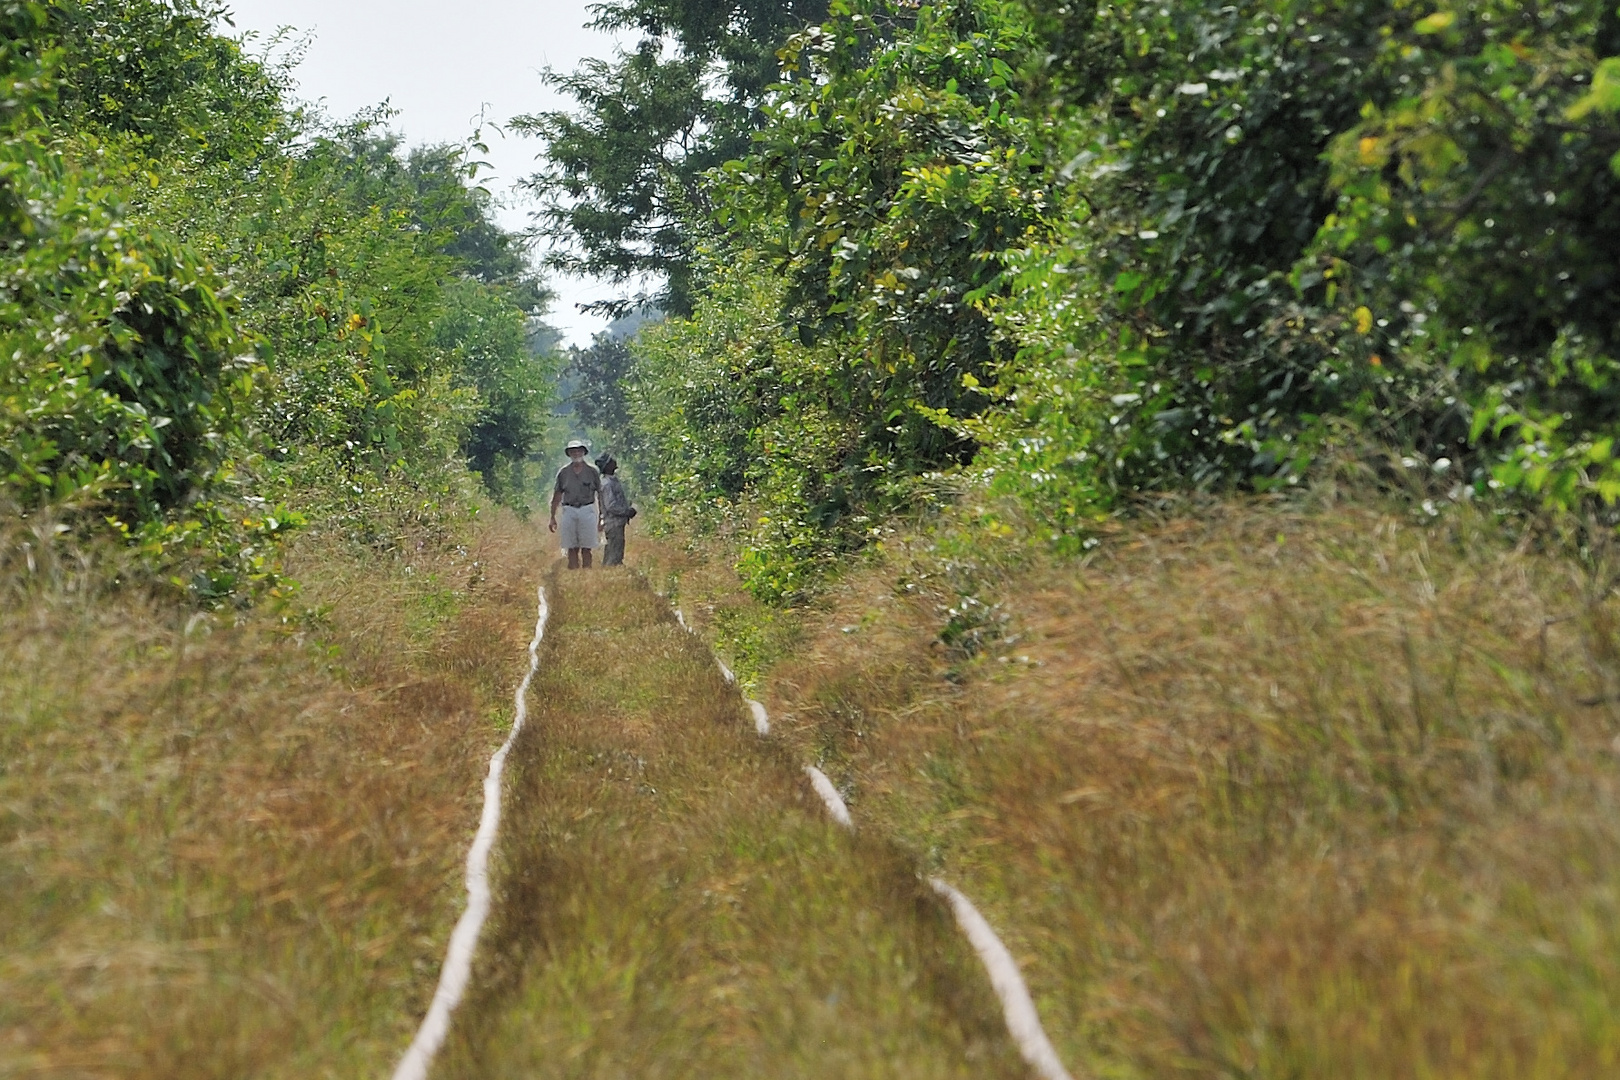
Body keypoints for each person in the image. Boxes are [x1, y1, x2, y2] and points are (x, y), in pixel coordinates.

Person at [548, 439, 603, 569]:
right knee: (571, 547)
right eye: (573, 451)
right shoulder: (563, 473)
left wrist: (601, 517)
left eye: (579, 451)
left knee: (587, 547)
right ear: (569, 454)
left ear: (583, 452)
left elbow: (600, 494)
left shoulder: (592, 471)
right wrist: (552, 517)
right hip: (569, 510)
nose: (576, 453)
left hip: (587, 509)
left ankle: (586, 574)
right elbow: (557, 495)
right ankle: (573, 573)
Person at [595, 453, 635, 567]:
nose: (614, 461)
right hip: (613, 523)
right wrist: (627, 511)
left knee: (614, 552)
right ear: (607, 466)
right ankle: (610, 576)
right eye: (611, 461)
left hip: (616, 523)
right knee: (614, 556)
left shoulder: (612, 481)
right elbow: (611, 506)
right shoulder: (607, 484)